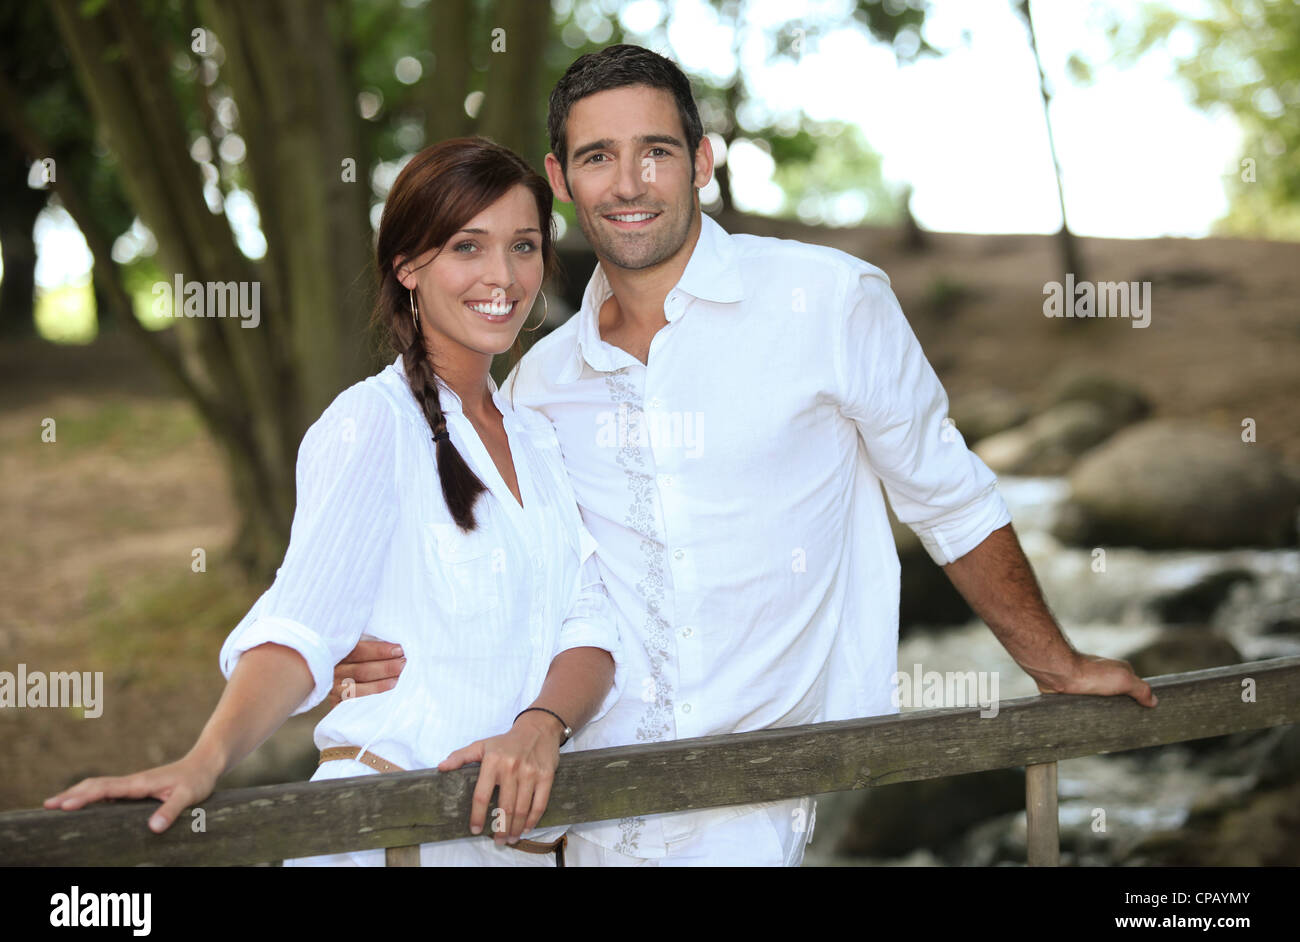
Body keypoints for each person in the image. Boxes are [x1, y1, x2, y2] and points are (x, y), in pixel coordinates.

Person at [335, 45, 1157, 867]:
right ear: (560, 178)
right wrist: (357, 643)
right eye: (597, 158)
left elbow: (946, 496)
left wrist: (1057, 663)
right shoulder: (540, 381)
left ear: (701, 162)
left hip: (749, 805)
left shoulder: (831, 302)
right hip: (574, 812)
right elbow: (518, 570)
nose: (627, 184)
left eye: (654, 151)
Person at [43, 137, 623, 867]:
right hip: (390, 837)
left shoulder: (537, 438)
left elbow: (592, 624)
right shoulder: (373, 422)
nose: (503, 275)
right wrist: (206, 758)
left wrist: (542, 723)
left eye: (525, 246)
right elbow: (302, 623)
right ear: (408, 265)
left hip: (520, 853)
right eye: (467, 247)